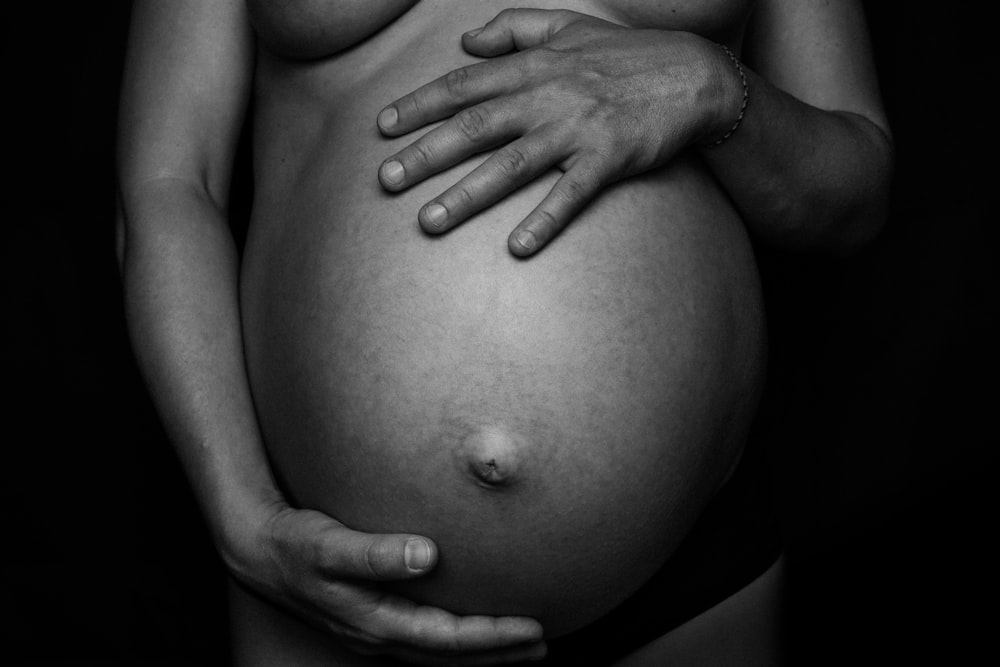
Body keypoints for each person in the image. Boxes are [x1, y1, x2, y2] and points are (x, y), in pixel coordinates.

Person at [116, 0, 892, 664]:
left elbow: (855, 189)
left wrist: (718, 89)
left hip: (682, 578)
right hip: (323, 576)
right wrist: (244, 518)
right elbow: (171, 183)